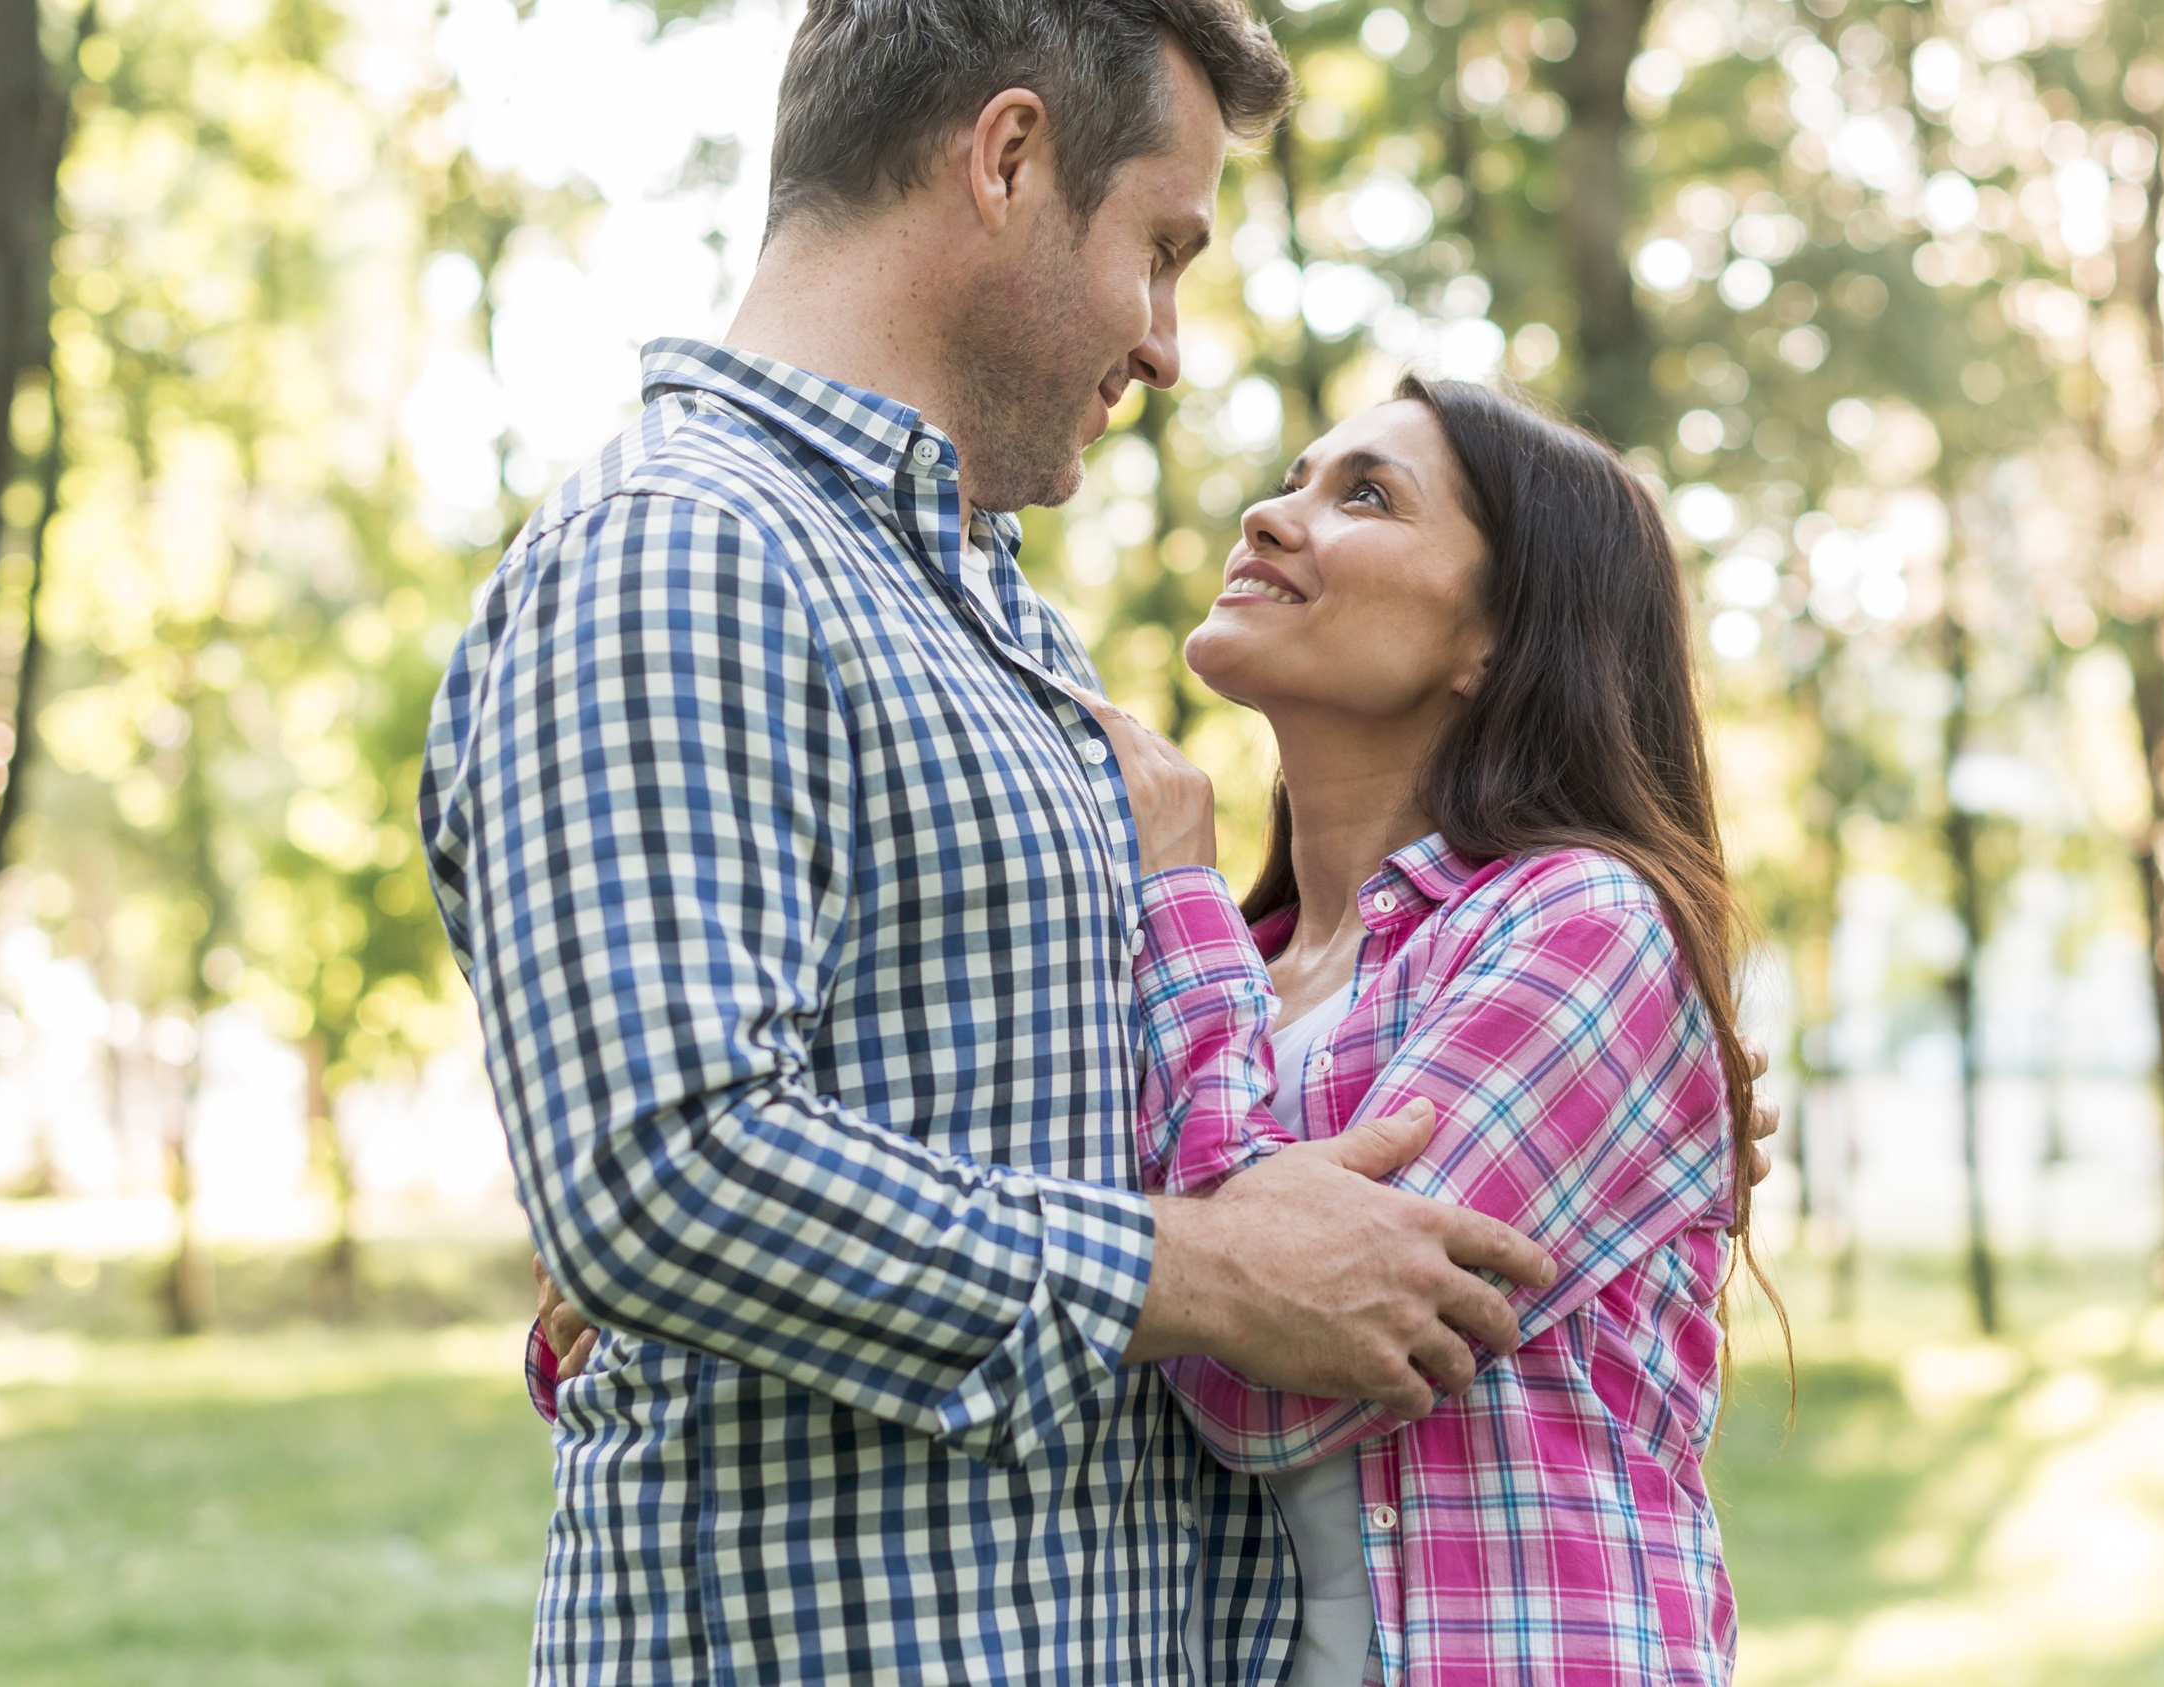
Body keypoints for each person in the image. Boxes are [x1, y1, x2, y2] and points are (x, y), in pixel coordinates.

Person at [420, 1, 1577, 1680]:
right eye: (1160, 249)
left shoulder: (969, 611)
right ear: (1010, 157)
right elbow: (663, 1175)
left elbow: (1074, 1109)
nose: (1169, 343)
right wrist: (1190, 1275)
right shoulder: (682, 555)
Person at [1075, 379, 1772, 1685]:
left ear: (1494, 642)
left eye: (1367, 495)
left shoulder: (1584, 927)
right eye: (1295, 477)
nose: (1274, 518)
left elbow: (1276, 1387)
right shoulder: (1230, 971)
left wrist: (1173, 891)